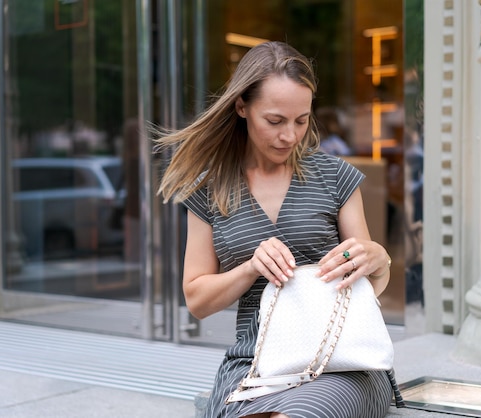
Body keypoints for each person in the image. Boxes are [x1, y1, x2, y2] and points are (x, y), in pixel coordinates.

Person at [157, 41, 400, 418]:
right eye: (275, 121)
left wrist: (379, 258)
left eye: (301, 120)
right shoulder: (209, 192)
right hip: (254, 359)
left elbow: (367, 285)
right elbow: (197, 300)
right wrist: (250, 267)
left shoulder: (335, 178)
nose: (290, 135)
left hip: (341, 358)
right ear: (242, 107)